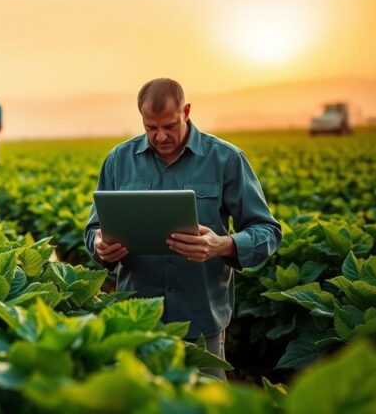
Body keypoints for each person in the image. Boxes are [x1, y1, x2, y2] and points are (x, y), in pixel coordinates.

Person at [84, 78, 281, 380]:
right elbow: (94, 229)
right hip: (137, 319)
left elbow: (267, 231)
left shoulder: (226, 159)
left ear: (186, 112)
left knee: (205, 403)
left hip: (201, 320)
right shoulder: (118, 161)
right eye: (151, 127)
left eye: (169, 126)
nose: (160, 136)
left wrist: (223, 245)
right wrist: (99, 245)